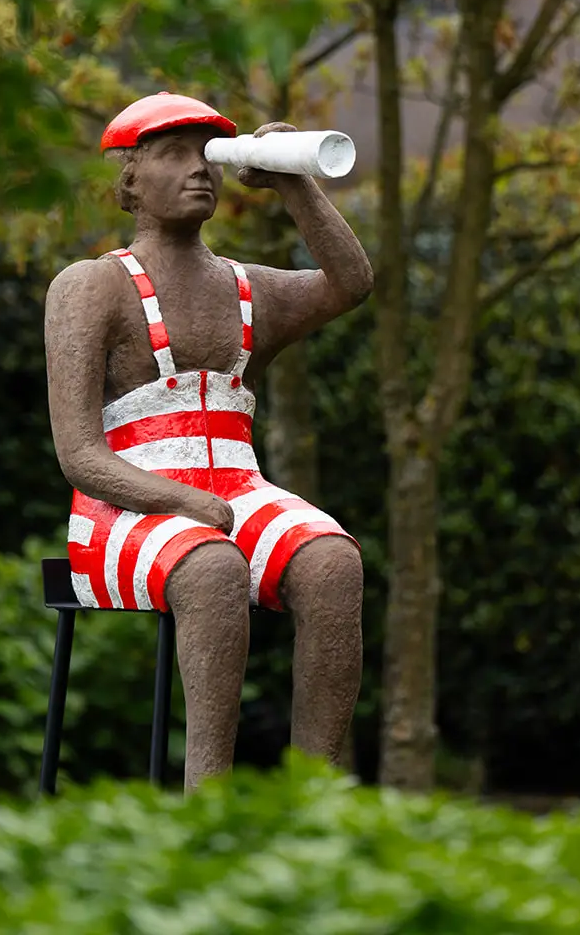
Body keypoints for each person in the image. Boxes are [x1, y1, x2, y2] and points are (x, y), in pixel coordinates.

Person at [44, 91, 373, 789]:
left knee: (332, 564)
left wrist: (295, 183)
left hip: (234, 495)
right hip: (121, 510)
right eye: (172, 156)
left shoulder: (248, 288)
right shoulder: (91, 287)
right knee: (213, 567)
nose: (199, 170)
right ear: (130, 181)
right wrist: (178, 500)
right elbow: (78, 452)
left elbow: (350, 283)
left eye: (207, 157)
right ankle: (208, 801)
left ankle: (314, 799)